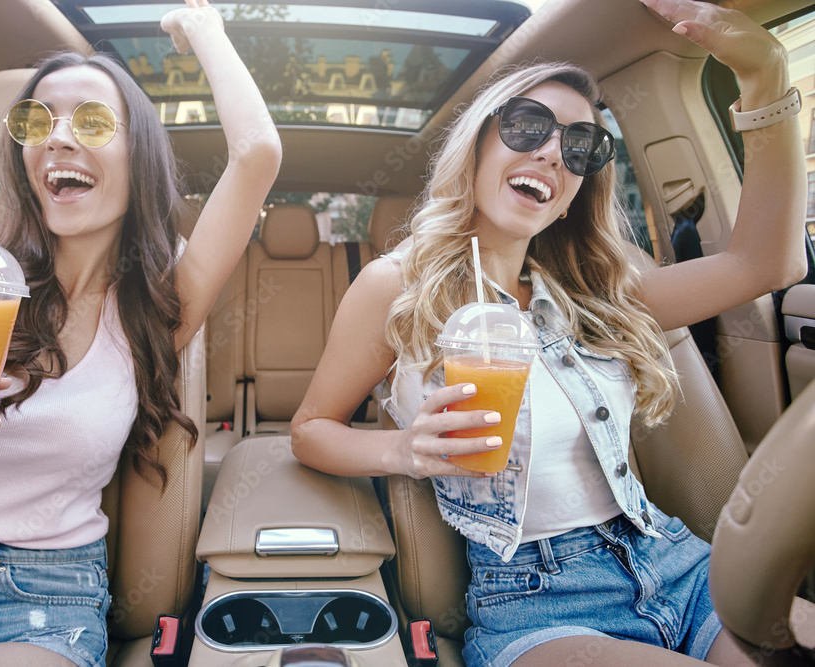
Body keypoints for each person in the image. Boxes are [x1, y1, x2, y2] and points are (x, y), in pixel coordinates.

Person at [291, 0, 811, 665]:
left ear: (575, 191)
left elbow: (769, 261)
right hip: (539, 598)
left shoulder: (597, 291)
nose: (550, 152)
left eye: (580, 146)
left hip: (677, 564)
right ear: (480, 140)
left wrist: (765, 76)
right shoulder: (398, 285)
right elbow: (310, 429)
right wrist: (405, 450)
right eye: (527, 124)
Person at [0, 0, 281, 664]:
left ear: (138, 155)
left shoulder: (158, 304)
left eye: (91, 121)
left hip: (42, 595)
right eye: (36, 120)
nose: (57, 137)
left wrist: (205, 30)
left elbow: (258, 154)